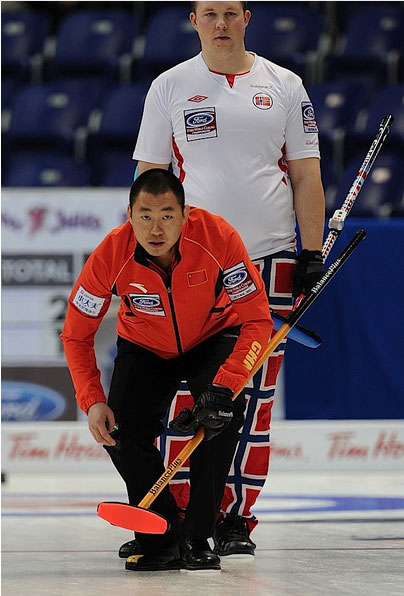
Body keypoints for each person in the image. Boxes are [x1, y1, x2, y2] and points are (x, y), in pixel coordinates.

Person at [126, 1, 326, 558]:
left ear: (247, 18)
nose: (220, 23)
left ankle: (236, 518)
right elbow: (150, 178)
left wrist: (310, 252)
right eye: (209, 13)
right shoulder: (169, 86)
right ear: (194, 20)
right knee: (182, 394)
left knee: (254, 393)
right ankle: (178, 514)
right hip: (193, 266)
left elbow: (306, 173)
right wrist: (148, 251)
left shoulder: (285, 85)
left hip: (268, 260)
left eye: (230, 13)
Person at [61, 168, 273, 571]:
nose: (155, 228)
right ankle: (161, 535)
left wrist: (225, 387)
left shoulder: (219, 237)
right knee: (120, 431)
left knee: (221, 420)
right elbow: (75, 335)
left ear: (185, 212)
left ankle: (197, 535)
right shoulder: (110, 255)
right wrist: (91, 401)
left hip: (213, 335)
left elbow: (258, 320)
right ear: (129, 214)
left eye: (166, 215)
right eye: (144, 216)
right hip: (145, 345)